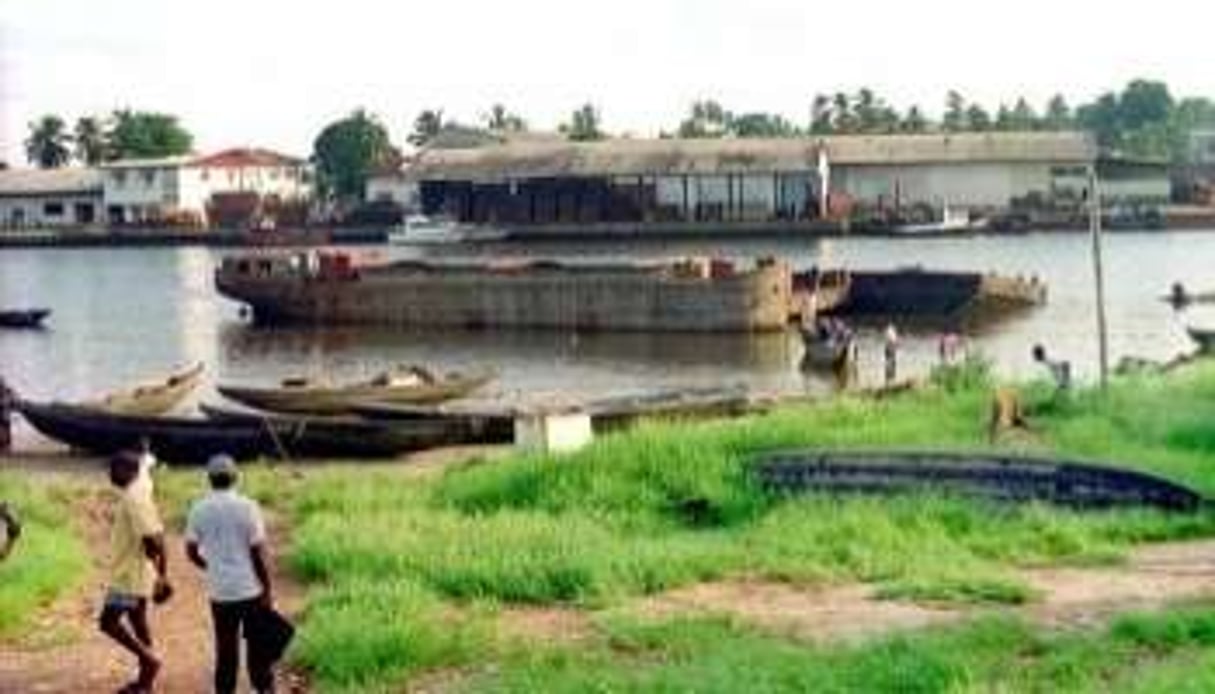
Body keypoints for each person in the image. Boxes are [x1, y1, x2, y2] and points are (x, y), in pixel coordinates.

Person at [186, 454, 276, 694]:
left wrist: (211, 566)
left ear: (209, 479)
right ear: (235, 477)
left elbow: (191, 551)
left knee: (226, 649)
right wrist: (267, 588)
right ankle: (264, 689)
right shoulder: (248, 507)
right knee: (257, 647)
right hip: (250, 590)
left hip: (220, 593)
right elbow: (258, 552)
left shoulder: (199, 508)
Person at [99, 451, 170, 694]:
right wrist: (160, 575)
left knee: (108, 623)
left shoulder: (133, 499)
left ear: (127, 471)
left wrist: (162, 575)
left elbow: (154, 541)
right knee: (139, 623)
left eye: (113, 469)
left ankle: (150, 662)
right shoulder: (141, 488)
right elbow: (146, 470)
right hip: (139, 575)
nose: (109, 475)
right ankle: (145, 681)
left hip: (127, 578)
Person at [0, 374, 15, 452]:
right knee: (4, 431)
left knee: (5, 431)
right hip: (4, 415)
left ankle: (6, 447)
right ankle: (5, 447)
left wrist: (8, 401)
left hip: (5, 416)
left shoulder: (8, 390)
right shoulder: (7, 391)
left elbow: (15, 398)